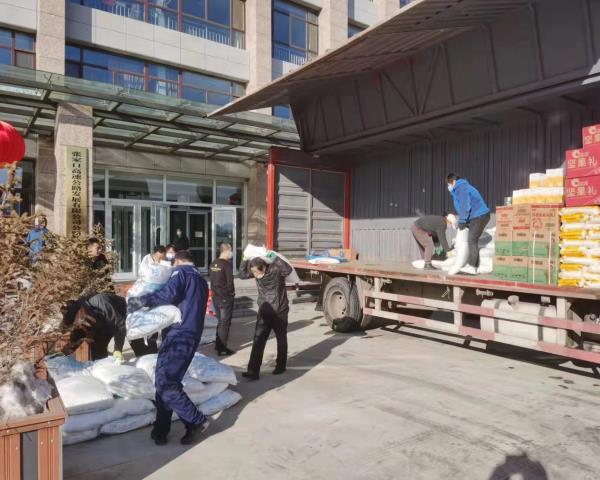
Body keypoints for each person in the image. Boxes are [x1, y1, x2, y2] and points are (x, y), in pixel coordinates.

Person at [128, 250, 210, 446]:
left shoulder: (181, 273)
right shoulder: (201, 279)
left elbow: (168, 294)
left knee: (166, 383)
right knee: (165, 381)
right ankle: (161, 430)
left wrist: (143, 300)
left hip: (179, 335)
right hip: (191, 334)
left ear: (178, 261)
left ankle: (196, 420)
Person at [239, 253, 292, 380]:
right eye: (253, 272)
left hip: (279, 310)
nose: (255, 275)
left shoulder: (276, 270)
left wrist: (275, 258)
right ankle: (253, 371)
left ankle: (281, 366)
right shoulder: (256, 271)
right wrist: (244, 259)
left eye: (256, 272)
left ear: (263, 267)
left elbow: (288, 270)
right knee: (258, 340)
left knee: (281, 339)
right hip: (265, 310)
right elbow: (242, 274)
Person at [446, 173, 491, 274]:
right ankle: (473, 265)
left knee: (472, 240)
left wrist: (462, 221)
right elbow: (462, 208)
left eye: (449, 184)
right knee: (472, 240)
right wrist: (464, 221)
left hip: (480, 215)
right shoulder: (457, 191)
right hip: (476, 216)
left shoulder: (461, 188)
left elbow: (465, 206)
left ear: (453, 182)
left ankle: (472, 267)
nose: (448, 186)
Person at [63, 293, 127, 362]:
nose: (79, 325)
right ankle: (103, 365)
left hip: (126, 316)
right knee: (95, 345)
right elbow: (81, 335)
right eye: (76, 325)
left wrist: (118, 349)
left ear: (80, 312)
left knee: (134, 340)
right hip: (105, 324)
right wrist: (72, 345)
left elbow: (120, 324)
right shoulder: (82, 317)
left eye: (77, 323)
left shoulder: (100, 301)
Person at [130, 245, 168, 356]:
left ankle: (152, 348)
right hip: (144, 297)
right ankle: (142, 349)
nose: (161, 260)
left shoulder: (163, 263)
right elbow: (145, 276)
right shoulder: (146, 261)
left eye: (163, 257)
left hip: (154, 298)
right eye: (160, 257)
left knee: (154, 324)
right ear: (155, 254)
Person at [209, 243, 236, 356]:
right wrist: (231, 294)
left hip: (216, 296)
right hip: (225, 298)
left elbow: (212, 279)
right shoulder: (226, 265)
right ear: (226, 251)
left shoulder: (213, 263)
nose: (231, 253)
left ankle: (218, 345)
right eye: (231, 251)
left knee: (220, 321)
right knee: (225, 323)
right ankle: (222, 348)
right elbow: (230, 282)